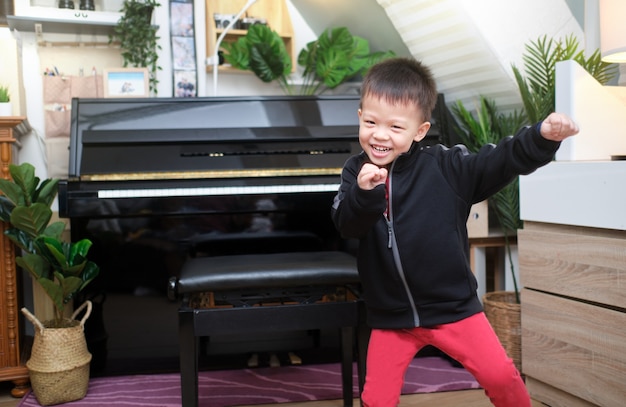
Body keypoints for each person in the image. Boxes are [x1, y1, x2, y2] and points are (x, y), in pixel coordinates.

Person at [331, 57, 579, 407]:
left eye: (395, 127)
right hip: (391, 316)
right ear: (360, 117)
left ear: (419, 130)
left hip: (454, 310)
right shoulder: (355, 171)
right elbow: (346, 225)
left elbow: (500, 160)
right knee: (376, 398)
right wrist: (364, 194)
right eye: (370, 122)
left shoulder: (448, 167)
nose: (380, 135)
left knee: (501, 376)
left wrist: (541, 138)